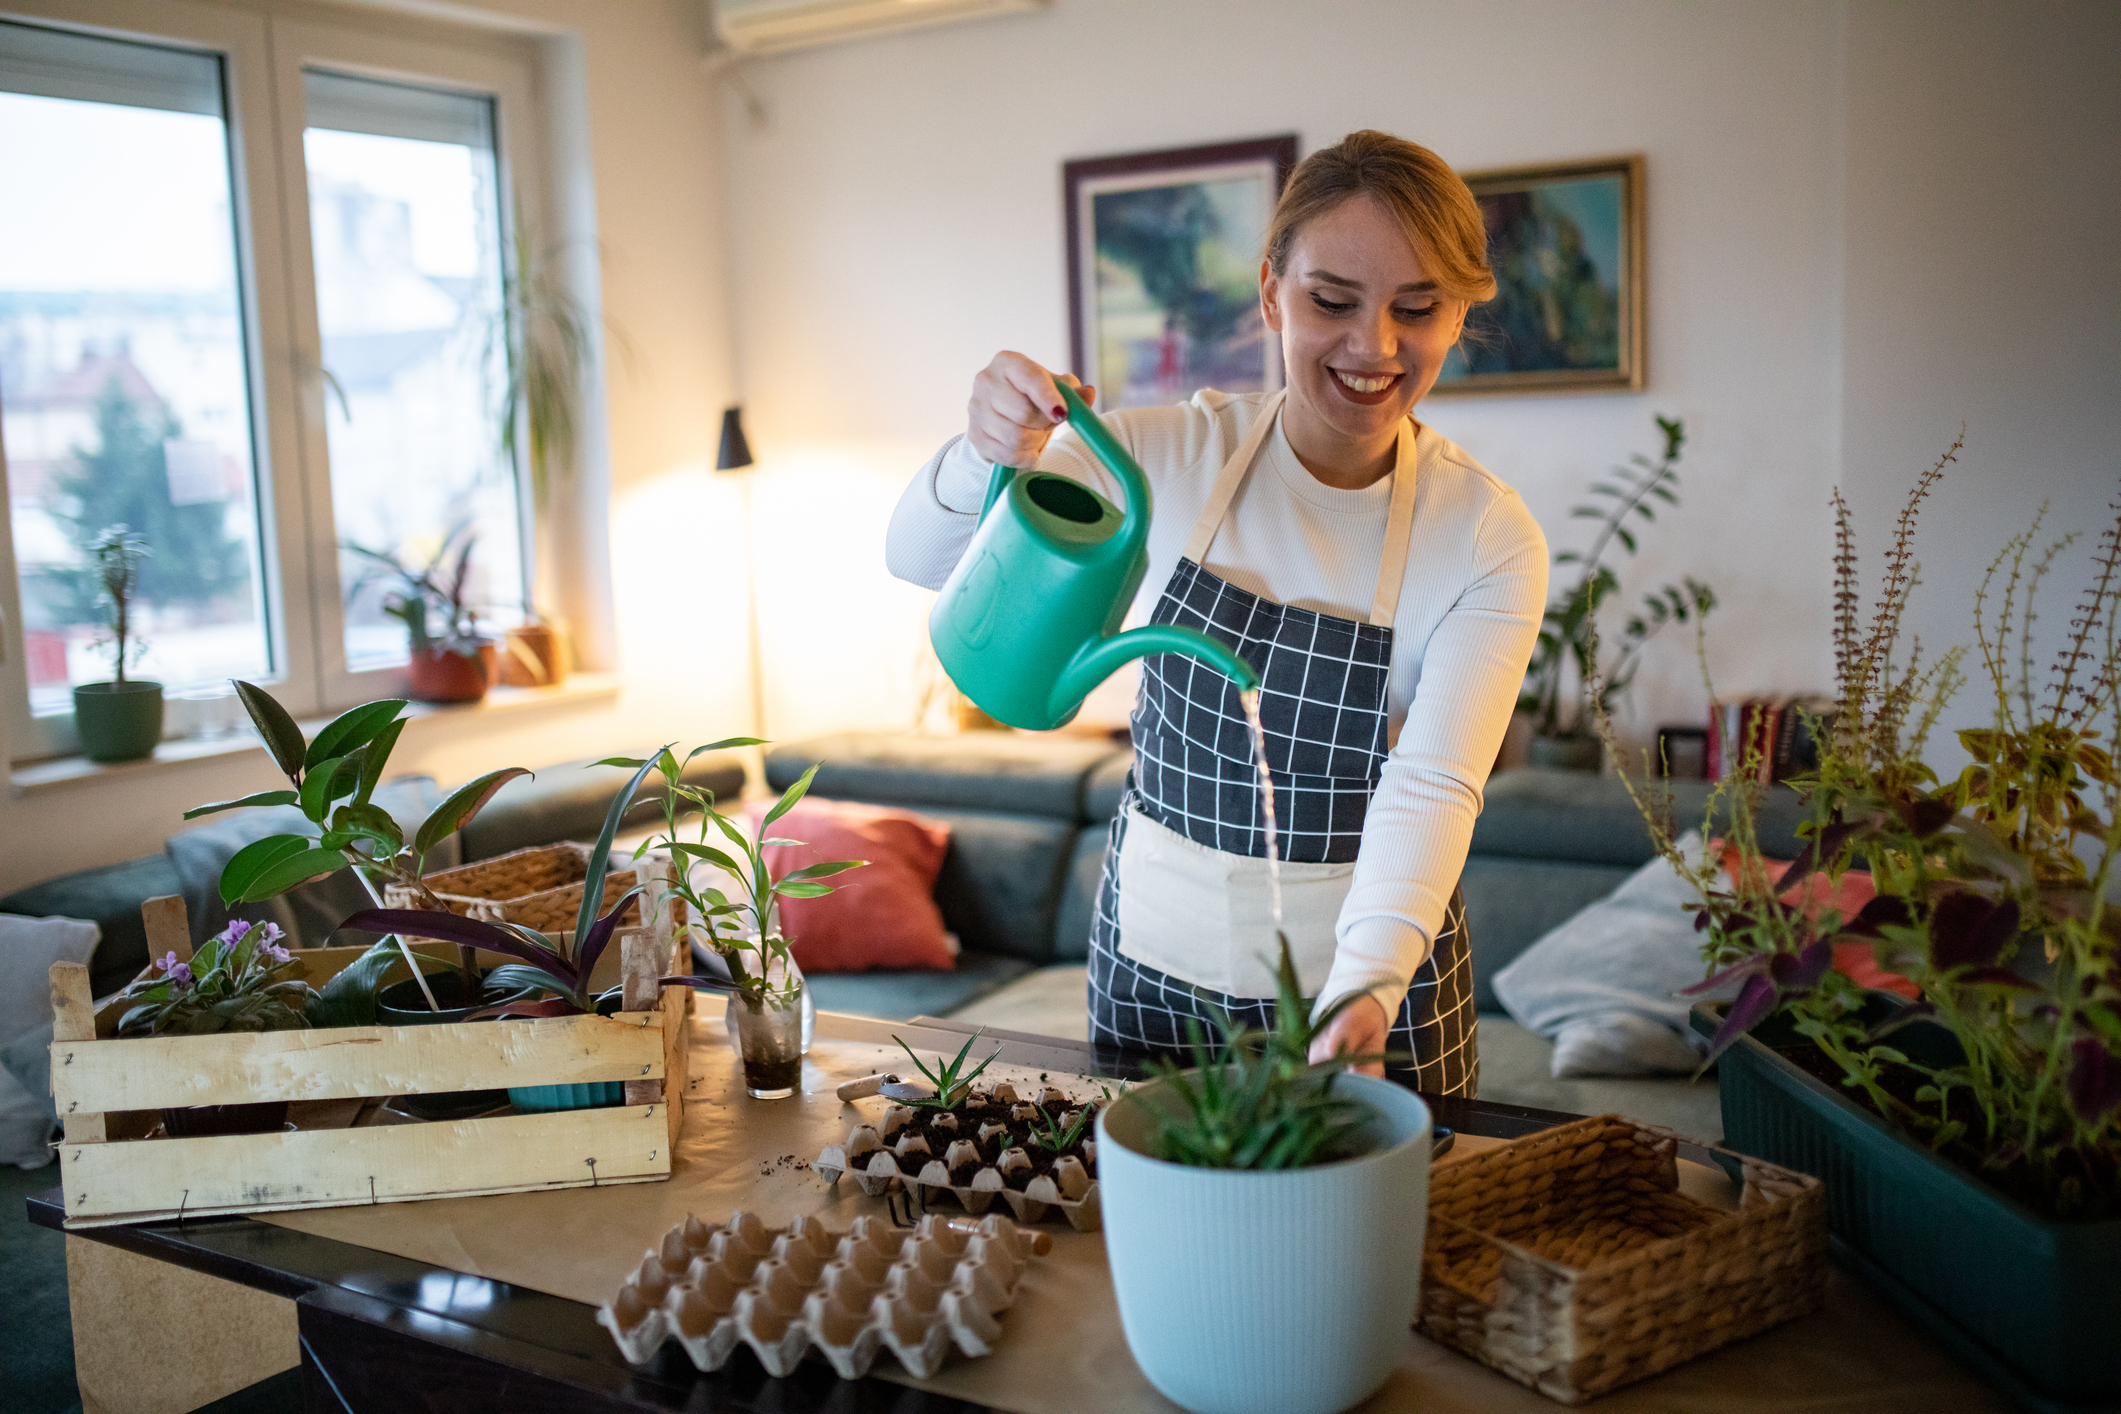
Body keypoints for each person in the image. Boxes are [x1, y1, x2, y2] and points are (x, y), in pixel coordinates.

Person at [885, 131, 1546, 1094]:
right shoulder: (1162, 459)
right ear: (1271, 291)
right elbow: (917, 558)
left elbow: (1433, 784)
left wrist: (1366, 988)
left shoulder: (1482, 535)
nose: (1375, 346)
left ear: (1458, 317)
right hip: (1154, 974)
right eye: (1332, 301)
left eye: (1418, 308)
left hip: (1363, 993)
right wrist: (981, 450)